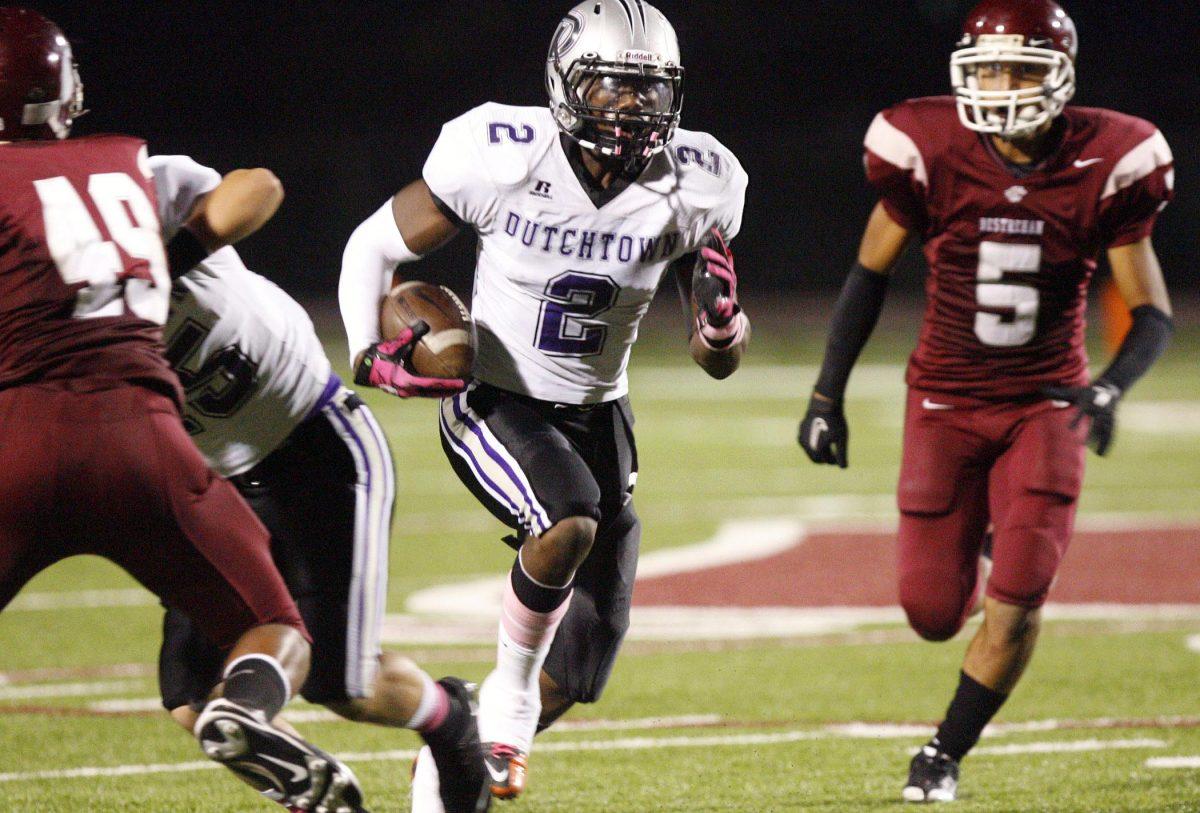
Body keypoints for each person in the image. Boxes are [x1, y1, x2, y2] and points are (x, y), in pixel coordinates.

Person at [339, 0, 749, 804]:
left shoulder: (701, 180)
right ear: (566, 83)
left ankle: (458, 735)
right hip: (497, 397)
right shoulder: (502, 153)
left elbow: (716, 359)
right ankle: (507, 708)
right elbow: (375, 244)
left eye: (648, 90)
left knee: (585, 657)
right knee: (567, 520)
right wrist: (367, 354)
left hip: (603, 413)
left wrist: (722, 326)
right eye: (611, 88)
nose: (631, 108)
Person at [796, 0, 1174, 802]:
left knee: (1021, 592)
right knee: (933, 611)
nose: (1003, 87)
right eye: (989, 69)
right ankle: (994, 541)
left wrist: (1109, 386)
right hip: (944, 399)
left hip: (1047, 401)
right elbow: (869, 275)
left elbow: (1150, 311)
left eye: (1023, 70)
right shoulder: (927, 146)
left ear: (1061, 78)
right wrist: (827, 391)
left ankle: (943, 752)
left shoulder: (1110, 156)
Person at [0, 9, 365, 811]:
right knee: (274, 630)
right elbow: (258, 186)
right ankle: (247, 708)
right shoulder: (123, 168)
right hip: (149, 444)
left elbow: (252, 192)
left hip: (19, 446)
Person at [149, 153, 490, 813]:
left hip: (312, 442)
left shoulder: (127, 191)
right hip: (211, 480)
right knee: (195, 702)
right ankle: (323, 797)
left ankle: (450, 719)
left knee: (343, 687)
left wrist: (164, 261)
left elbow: (257, 187)